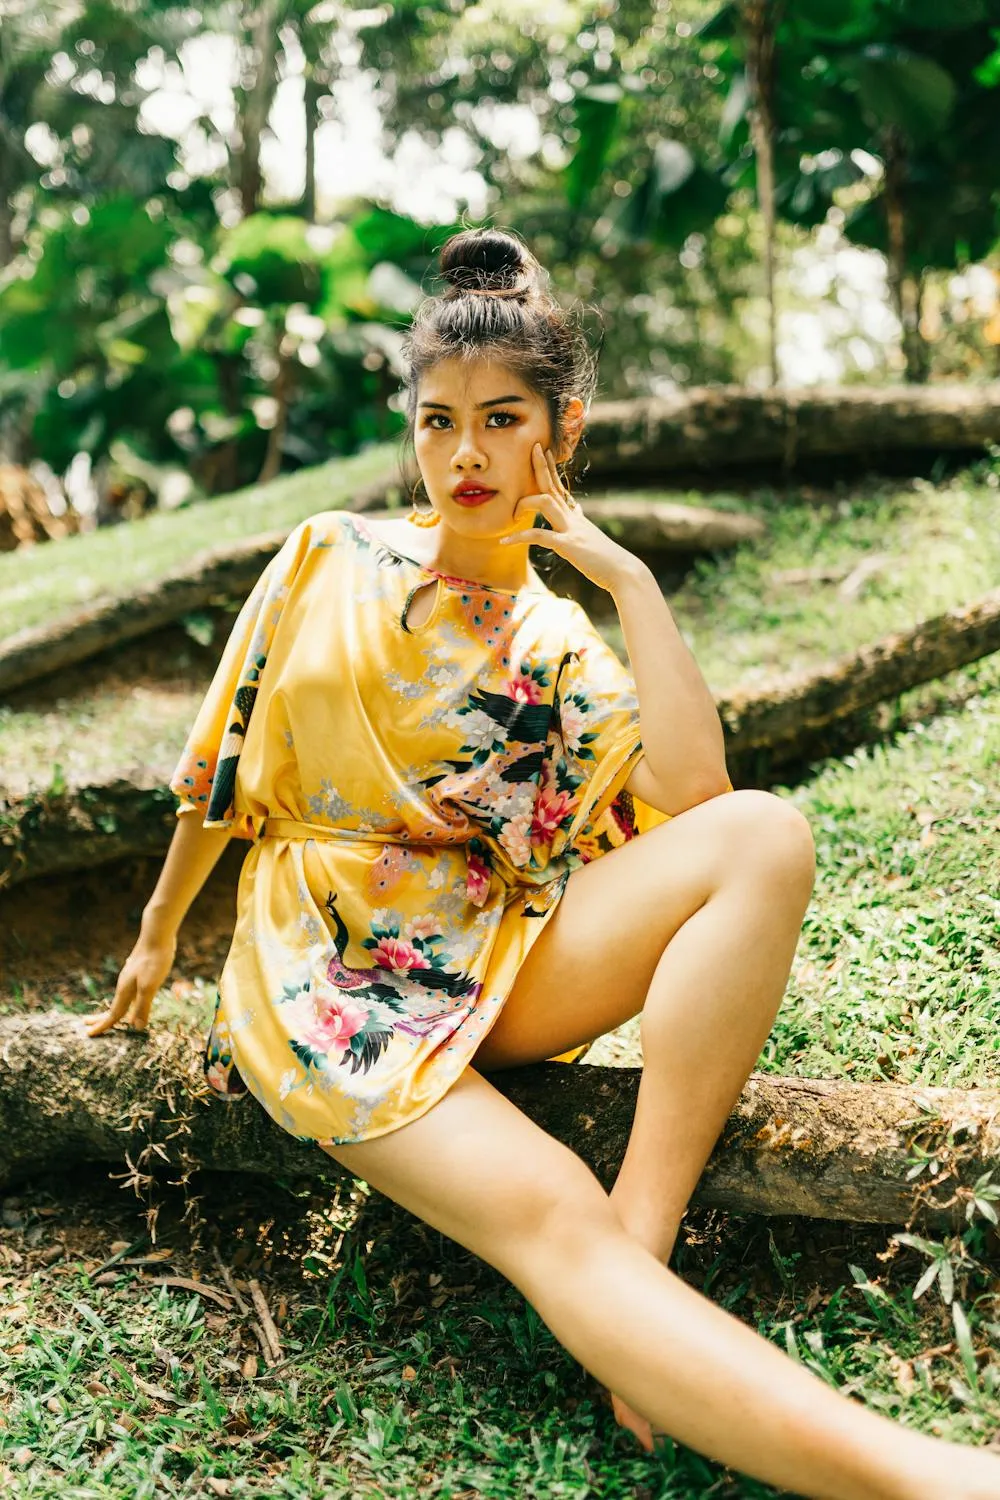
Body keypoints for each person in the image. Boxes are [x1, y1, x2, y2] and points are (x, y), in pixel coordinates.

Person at [84, 227, 1000, 1500]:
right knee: (545, 1210)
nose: (464, 453)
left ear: (557, 435)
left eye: (499, 419)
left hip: (491, 953)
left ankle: (647, 1241)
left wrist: (626, 580)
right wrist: (153, 933)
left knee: (766, 837)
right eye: (436, 420)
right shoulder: (328, 557)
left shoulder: (556, 641)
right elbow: (222, 760)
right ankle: (932, 1482)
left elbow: (695, 802)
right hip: (330, 977)